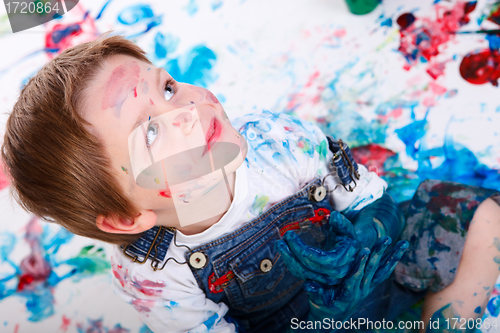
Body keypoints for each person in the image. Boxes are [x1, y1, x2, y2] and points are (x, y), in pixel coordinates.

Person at [2, 33, 500, 333]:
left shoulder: (275, 142)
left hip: (378, 268)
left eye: (168, 87)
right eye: (150, 130)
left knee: (485, 220)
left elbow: (368, 195)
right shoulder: (153, 273)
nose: (189, 109)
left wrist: (369, 234)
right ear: (128, 218)